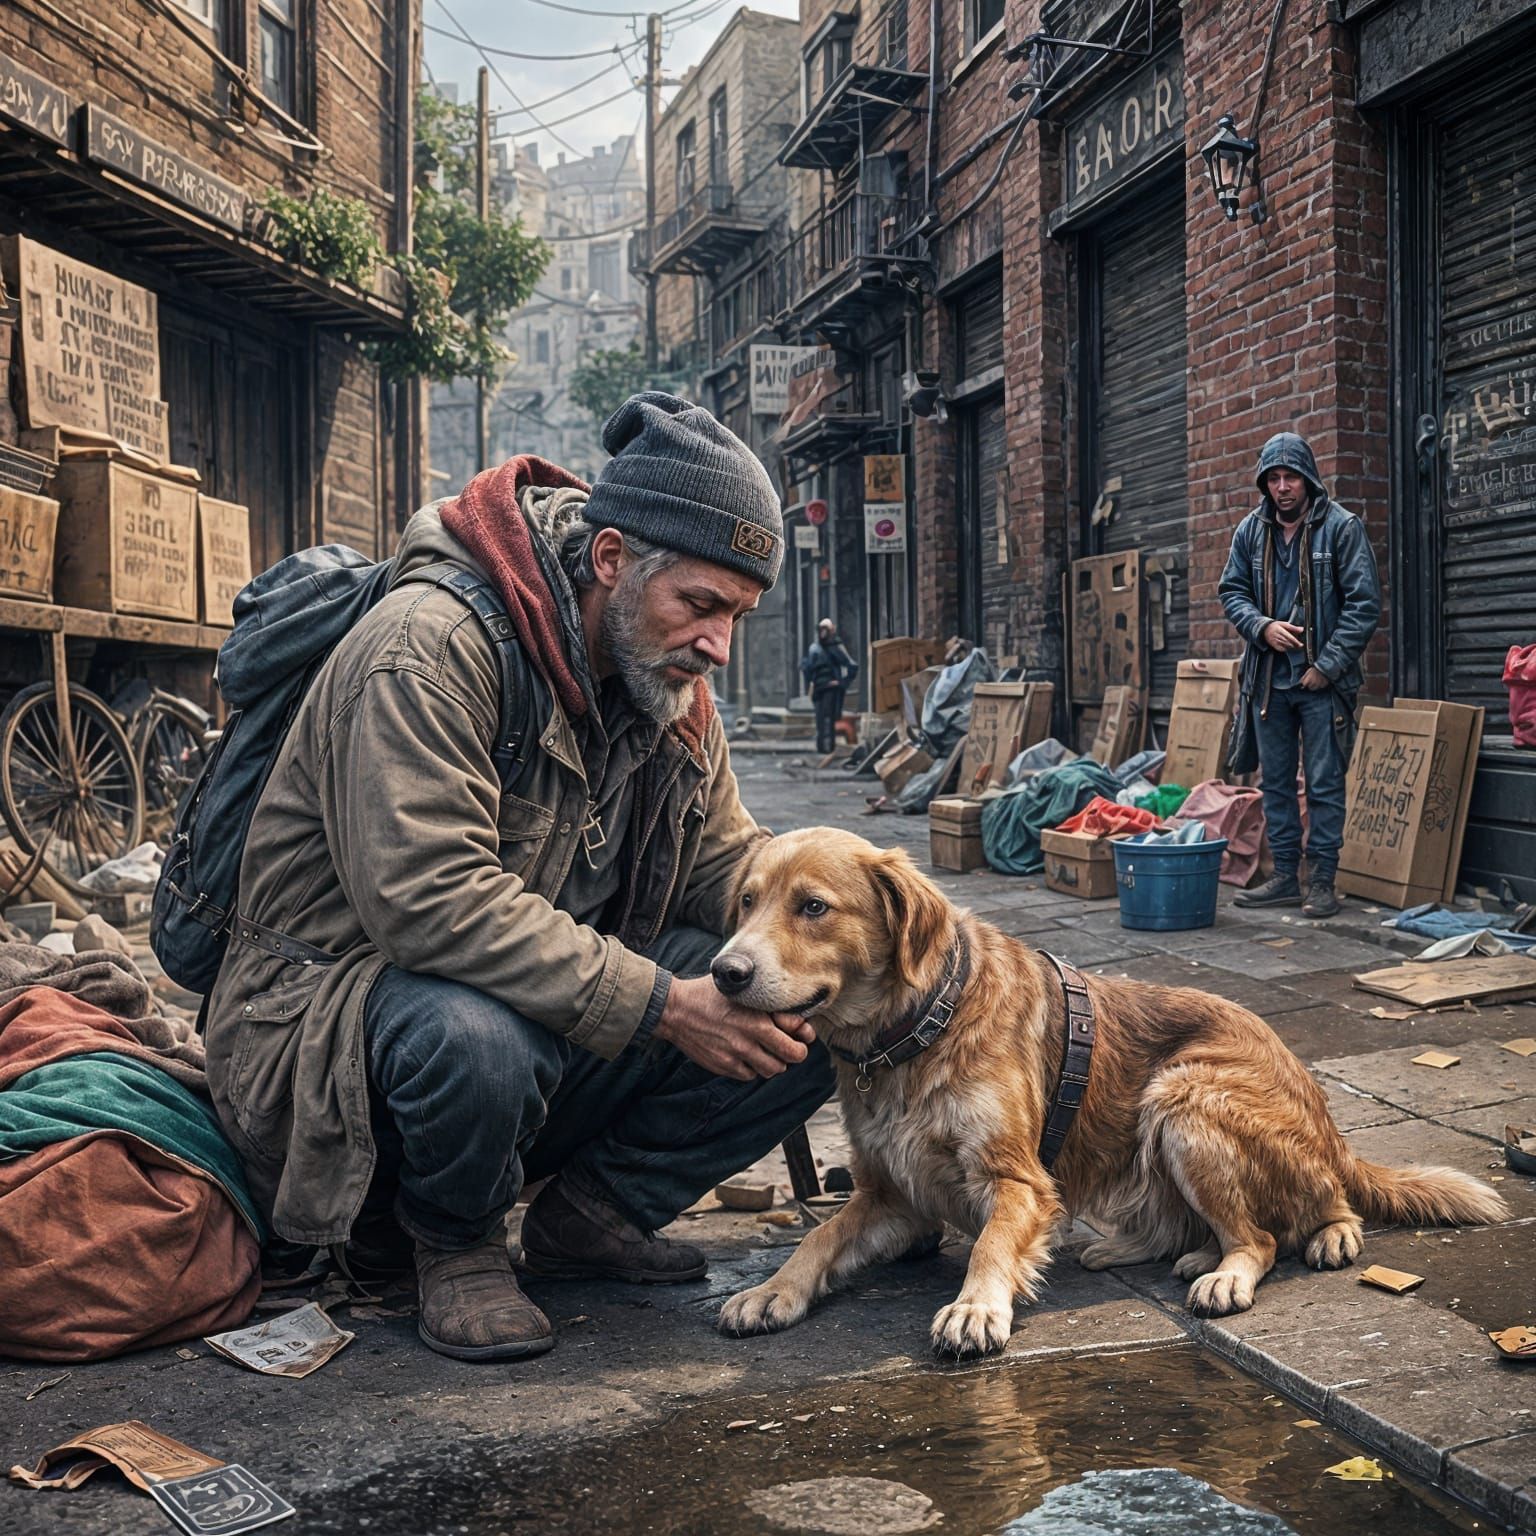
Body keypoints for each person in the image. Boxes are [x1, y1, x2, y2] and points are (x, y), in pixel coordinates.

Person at [204, 393, 835, 1362]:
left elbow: (724, 868)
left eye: (737, 616)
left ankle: (594, 1215)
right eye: (701, 605)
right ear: (612, 559)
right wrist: (667, 1005)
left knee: (815, 998)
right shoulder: (428, 650)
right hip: (328, 1040)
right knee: (478, 1034)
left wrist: (853, 923)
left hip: (530, 1032)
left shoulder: (670, 690)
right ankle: (448, 1240)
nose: (718, 645)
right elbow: (432, 905)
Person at [1219, 431, 1382, 919]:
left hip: (1322, 685)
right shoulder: (1251, 531)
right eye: (1274, 478)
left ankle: (1323, 883)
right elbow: (1231, 591)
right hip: (1269, 682)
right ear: (1264, 483)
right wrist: (1262, 627)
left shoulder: (1342, 528)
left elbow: (1364, 605)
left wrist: (1326, 666)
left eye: (1291, 477)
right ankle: (1286, 877)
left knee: (1325, 783)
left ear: (1308, 478)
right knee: (1275, 783)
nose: (1283, 487)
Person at [801, 617, 859, 755]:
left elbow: (852, 666)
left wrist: (842, 682)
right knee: (820, 719)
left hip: (831, 689)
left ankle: (829, 748)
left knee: (829, 719)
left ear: (831, 631)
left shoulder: (836, 647)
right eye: (821, 629)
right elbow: (808, 668)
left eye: (826, 629)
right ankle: (822, 748)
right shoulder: (814, 648)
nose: (823, 633)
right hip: (819, 689)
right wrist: (810, 680)